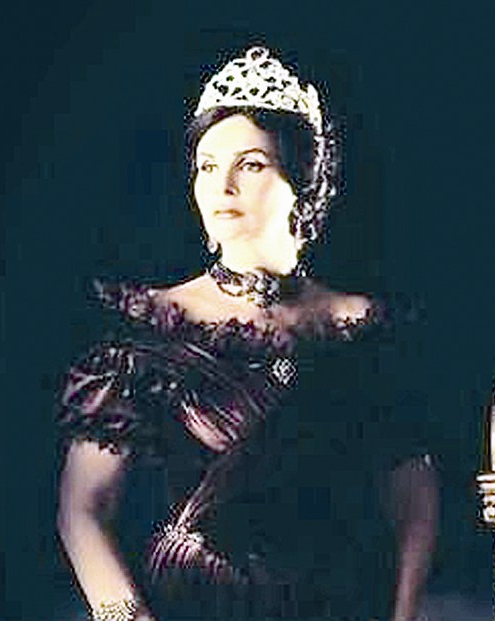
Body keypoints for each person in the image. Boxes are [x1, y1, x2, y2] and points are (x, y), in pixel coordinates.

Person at [56, 46, 438, 621]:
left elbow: (414, 506)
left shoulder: (362, 328)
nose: (222, 186)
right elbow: (83, 509)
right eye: (207, 167)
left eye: (251, 165)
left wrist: (404, 616)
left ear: (303, 182)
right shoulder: (151, 327)